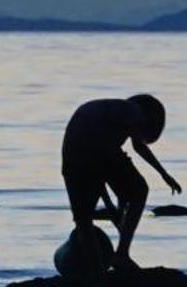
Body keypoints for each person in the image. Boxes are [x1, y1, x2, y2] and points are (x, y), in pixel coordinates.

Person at [61, 94, 180, 269]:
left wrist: (112, 208)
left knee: (83, 220)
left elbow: (98, 176)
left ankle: (96, 275)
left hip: (72, 156)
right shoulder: (133, 109)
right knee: (139, 191)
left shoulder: (108, 111)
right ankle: (122, 255)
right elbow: (138, 146)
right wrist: (164, 174)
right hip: (96, 150)